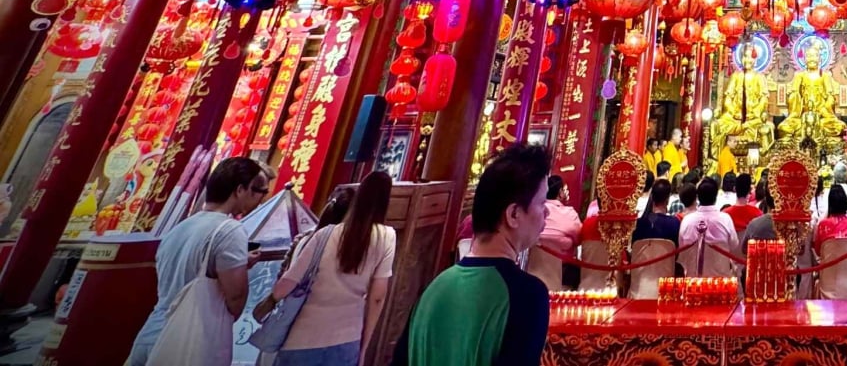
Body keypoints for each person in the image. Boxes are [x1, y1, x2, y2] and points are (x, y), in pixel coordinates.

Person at [393, 144, 552, 366]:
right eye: (542, 202)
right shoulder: (527, 295)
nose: (547, 211)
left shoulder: (434, 289)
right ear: (514, 214)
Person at [128, 157, 267, 366]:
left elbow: (187, 270)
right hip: (188, 341)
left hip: (151, 332)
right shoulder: (229, 229)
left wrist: (239, 263)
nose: (260, 199)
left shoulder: (179, 229)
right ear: (240, 190)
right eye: (258, 191)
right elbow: (236, 297)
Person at [270, 171, 395, 365]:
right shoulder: (386, 236)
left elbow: (286, 284)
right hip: (346, 339)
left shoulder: (323, 235)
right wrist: (363, 348)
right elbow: (377, 297)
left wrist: (270, 300)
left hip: (301, 339)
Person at [679, 176, 736, 267]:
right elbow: (734, 246)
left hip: (693, 277)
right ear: (716, 196)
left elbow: (682, 250)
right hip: (721, 276)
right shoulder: (725, 219)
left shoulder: (687, 221)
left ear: (698, 197)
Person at [539, 175, 582, 254]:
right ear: (560, 193)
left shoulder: (537, 210)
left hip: (533, 264)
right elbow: (579, 238)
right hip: (563, 264)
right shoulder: (570, 213)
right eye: (564, 189)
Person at [633, 178, 680, 244]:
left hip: (644, 254)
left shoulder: (639, 223)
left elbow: (634, 247)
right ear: (667, 199)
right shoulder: (675, 223)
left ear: (652, 197)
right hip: (668, 254)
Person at [814, 184, 847, 249]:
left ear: (830, 202)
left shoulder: (822, 225)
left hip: (829, 259)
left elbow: (818, 250)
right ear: (845, 202)